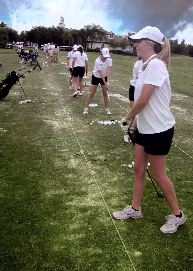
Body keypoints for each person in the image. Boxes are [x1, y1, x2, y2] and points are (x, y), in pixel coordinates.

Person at [113, 26, 186, 234]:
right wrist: (135, 125)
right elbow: (141, 102)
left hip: (160, 129)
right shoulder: (144, 66)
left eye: (138, 41)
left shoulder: (155, 66)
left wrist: (126, 119)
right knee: (139, 169)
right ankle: (135, 209)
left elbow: (143, 101)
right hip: (145, 128)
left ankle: (178, 215)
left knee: (157, 174)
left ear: (150, 44)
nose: (135, 44)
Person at [83, 48, 112, 115]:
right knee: (92, 93)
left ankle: (107, 109)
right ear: (101, 54)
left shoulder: (109, 60)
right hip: (96, 77)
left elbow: (108, 70)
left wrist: (107, 82)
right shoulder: (97, 61)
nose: (106, 58)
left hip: (104, 77)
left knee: (105, 94)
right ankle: (86, 109)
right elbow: (101, 72)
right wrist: (105, 83)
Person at [124, 58, 143, 143]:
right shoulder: (138, 63)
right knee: (133, 110)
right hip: (134, 87)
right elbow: (138, 76)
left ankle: (131, 132)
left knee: (136, 112)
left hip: (141, 88)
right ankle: (130, 132)